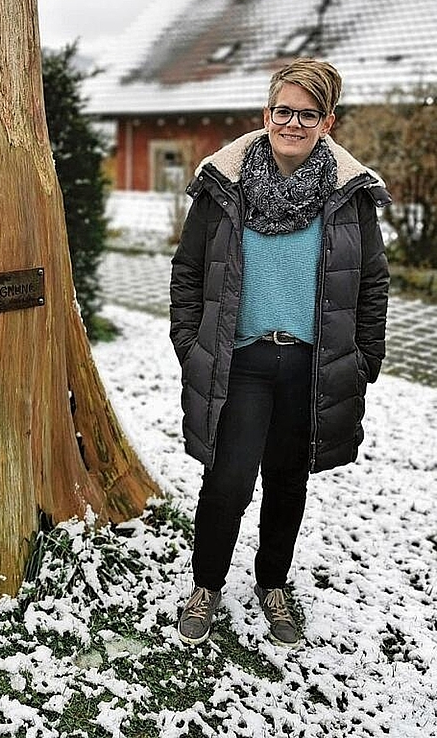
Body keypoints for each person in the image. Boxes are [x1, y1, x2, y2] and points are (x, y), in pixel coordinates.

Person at [169, 58, 390, 648]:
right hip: (240, 362)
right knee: (228, 480)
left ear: (327, 122)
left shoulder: (349, 196)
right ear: (267, 115)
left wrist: (365, 357)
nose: (293, 122)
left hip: (309, 365)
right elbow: (189, 271)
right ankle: (206, 586)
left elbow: (372, 281)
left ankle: (273, 584)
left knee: (288, 481)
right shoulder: (223, 185)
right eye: (283, 111)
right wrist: (190, 346)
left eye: (307, 114)